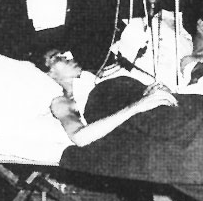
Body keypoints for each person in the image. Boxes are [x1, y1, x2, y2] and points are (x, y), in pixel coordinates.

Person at [36, 48, 178, 147]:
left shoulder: (100, 76)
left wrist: (151, 91)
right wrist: (137, 106)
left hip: (159, 108)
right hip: (139, 122)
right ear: (48, 74)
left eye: (66, 53)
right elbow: (80, 138)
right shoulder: (63, 102)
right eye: (58, 57)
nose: (69, 57)